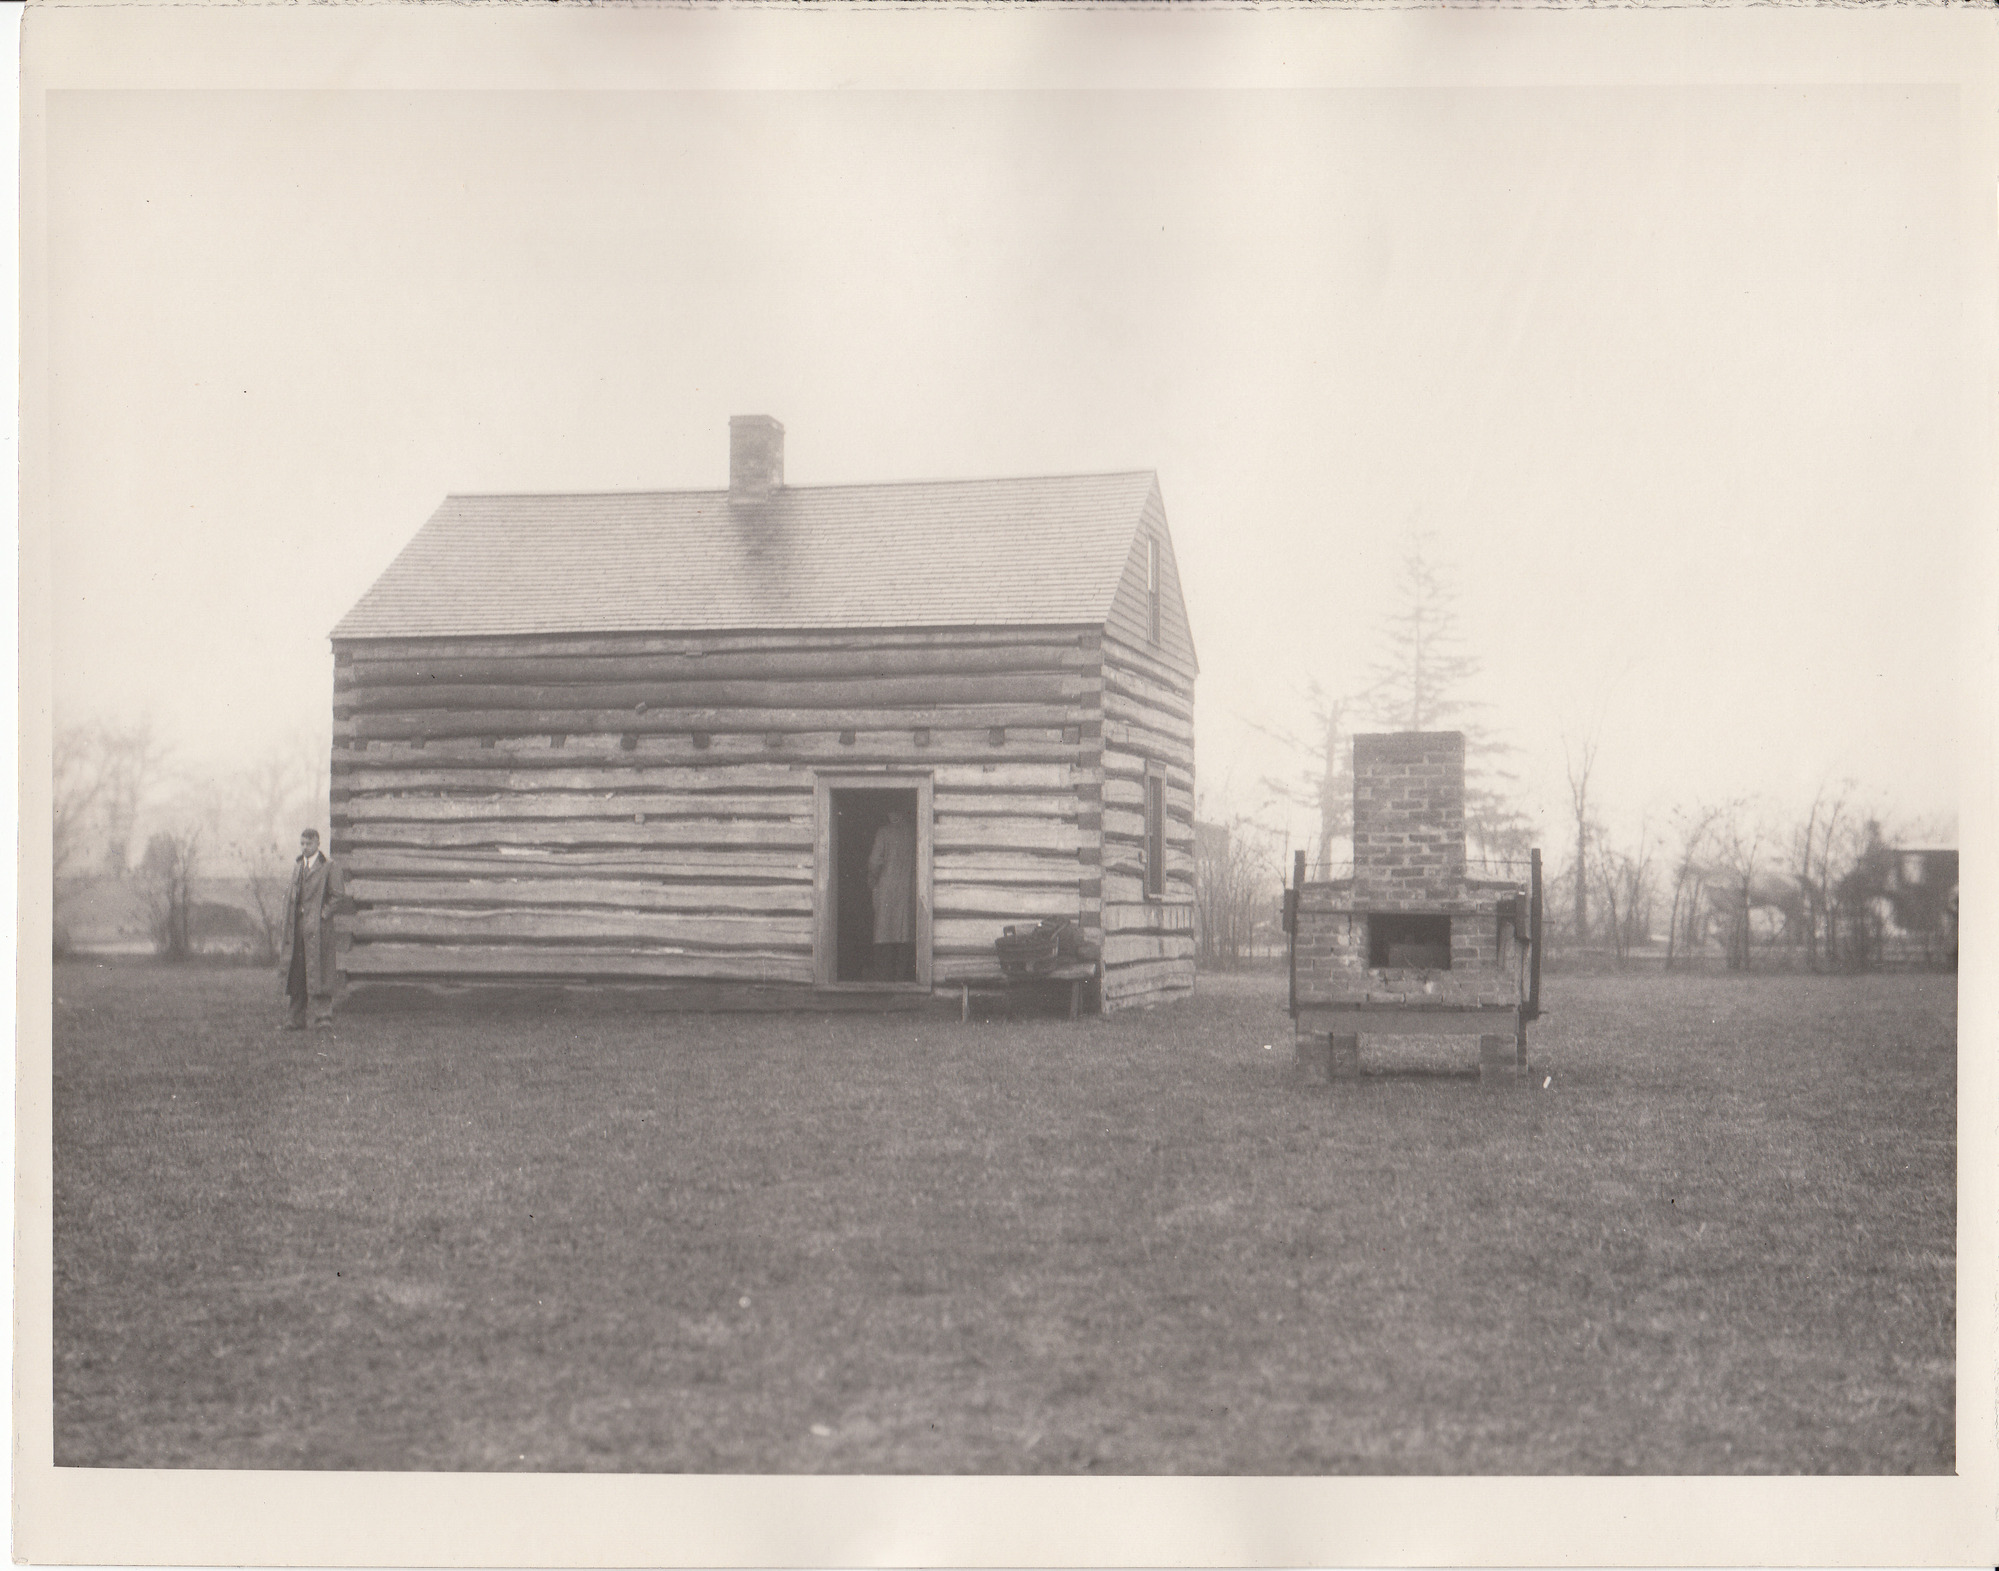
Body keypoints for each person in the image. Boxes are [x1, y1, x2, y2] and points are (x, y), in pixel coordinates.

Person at [279, 828, 348, 1030]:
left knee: (321, 971)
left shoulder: (329, 867)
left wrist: (323, 914)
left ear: (317, 843)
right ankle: (295, 1018)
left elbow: (338, 896)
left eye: (308, 844)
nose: (304, 847)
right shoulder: (299, 866)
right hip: (298, 929)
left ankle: (323, 1017)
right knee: (297, 972)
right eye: (301, 843)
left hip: (319, 931)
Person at [866, 804, 916, 982]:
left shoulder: (884, 833)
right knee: (904, 933)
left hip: (886, 889)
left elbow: (874, 862)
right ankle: (900, 978)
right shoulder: (913, 833)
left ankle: (884, 978)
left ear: (893, 812)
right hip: (908, 889)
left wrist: (871, 880)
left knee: (884, 931)